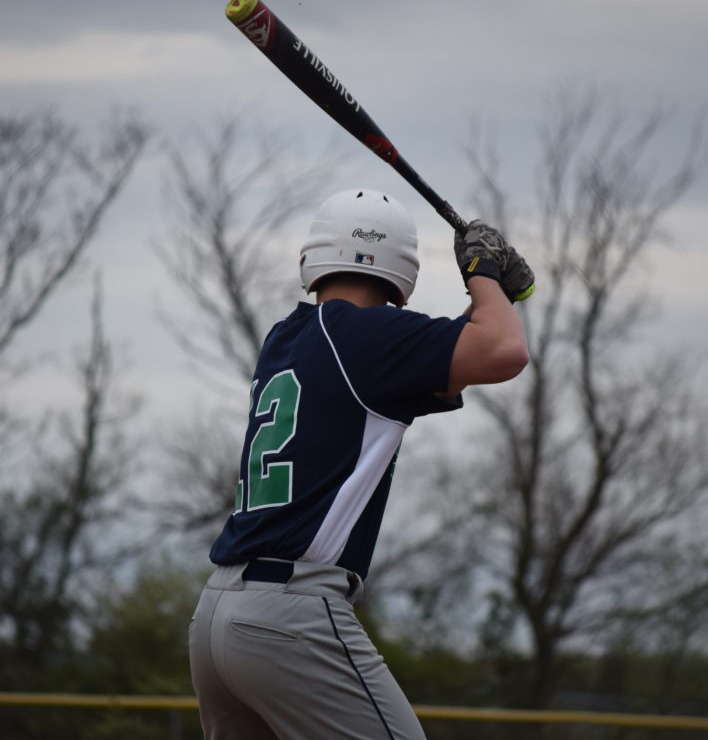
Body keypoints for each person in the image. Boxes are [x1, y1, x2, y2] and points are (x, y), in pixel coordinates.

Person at [188, 188, 533, 739]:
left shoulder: (291, 337)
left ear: (315, 257)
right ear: (401, 269)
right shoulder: (365, 339)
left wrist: (492, 290)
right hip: (289, 616)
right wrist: (482, 272)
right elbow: (505, 351)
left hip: (216, 617)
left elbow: (461, 345)